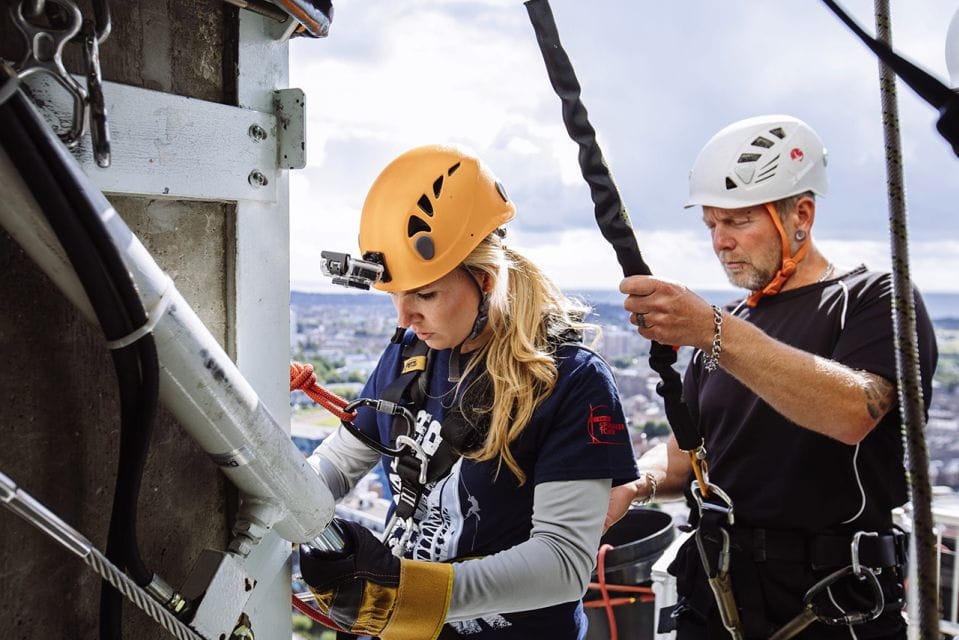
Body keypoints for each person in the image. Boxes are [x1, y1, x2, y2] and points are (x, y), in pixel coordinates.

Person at [607, 115, 938, 639]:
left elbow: (854, 411)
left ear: (800, 214)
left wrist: (715, 331)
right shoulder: (728, 326)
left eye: (737, 222)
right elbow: (686, 453)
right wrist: (635, 481)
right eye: (712, 224)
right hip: (717, 594)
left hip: (832, 602)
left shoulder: (871, 298)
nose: (721, 242)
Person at [299, 144, 638, 640]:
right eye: (396, 294)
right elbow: (340, 461)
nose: (404, 317)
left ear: (486, 280)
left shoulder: (570, 382)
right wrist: (277, 496)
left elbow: (563, 563)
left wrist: (409, 592)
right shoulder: (411, 355)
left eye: (425, 294)